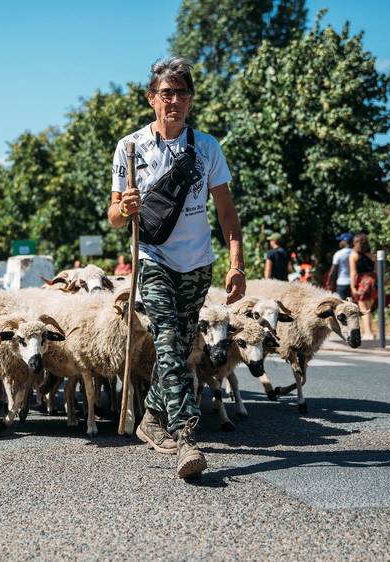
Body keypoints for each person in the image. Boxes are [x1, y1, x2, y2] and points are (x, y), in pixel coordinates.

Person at [108, 57, 245, 479]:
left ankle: (149, 416)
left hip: (198, 264)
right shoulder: (130, 148)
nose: (175, 101)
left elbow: (226, 212)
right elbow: (113, 215)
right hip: (153, 258)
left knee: (181, 347)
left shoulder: (207, 148)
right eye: (167, 93)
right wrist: (124, 208)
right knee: (168, 339)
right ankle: (186, 435)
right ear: (152, 99)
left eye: (183, 93)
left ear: (190, 100)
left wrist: (236, 263)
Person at [349, 232, 376, 339]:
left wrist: (352, 286)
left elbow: (353, 273)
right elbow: (376, 270)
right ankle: (370, 331)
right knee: (368, 308)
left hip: (362, 282)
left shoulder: (353, 255)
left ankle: (368, 333)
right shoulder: (372, 255)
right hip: (373, 281)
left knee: (363, 309)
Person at [328, 232, 354, 299]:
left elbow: (332, 271)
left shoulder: (339, 254)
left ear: (345, 241)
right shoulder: (355, 253)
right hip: (354, 283)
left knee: (341, 305)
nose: (339, 243)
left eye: (340, 240)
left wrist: (329, 284)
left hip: (342, 283)